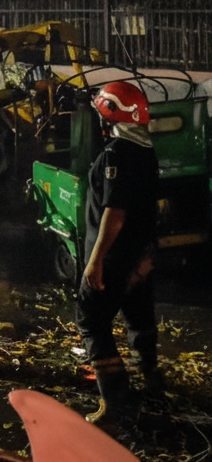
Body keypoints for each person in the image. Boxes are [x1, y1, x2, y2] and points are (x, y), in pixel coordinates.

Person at [77, 81, 163, 428]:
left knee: (91, 319)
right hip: (139, 255)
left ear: (109, 117)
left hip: (115, 256)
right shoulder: (146, 152)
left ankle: (116, 404)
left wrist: (95, 261)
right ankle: (153, 384)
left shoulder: (115, 155)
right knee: (138, 317)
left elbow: (115, 211)